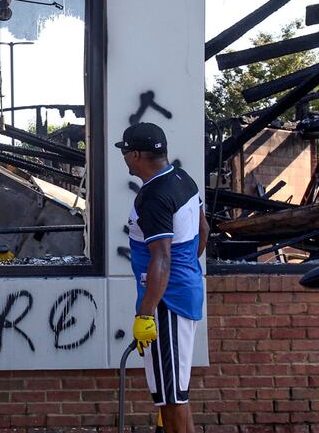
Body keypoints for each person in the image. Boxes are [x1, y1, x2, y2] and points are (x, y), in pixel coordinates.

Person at [116, 122, 209, 433]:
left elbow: (162, 257)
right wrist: (184, 269)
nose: (124, 158)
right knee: (174, 393)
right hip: (180, 291)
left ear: (138, 155)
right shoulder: (182, 179)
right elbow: (203, 230)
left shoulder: (154, 196)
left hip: (166, 302)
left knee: (171, 399)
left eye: (126, 152)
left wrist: (146, 314)